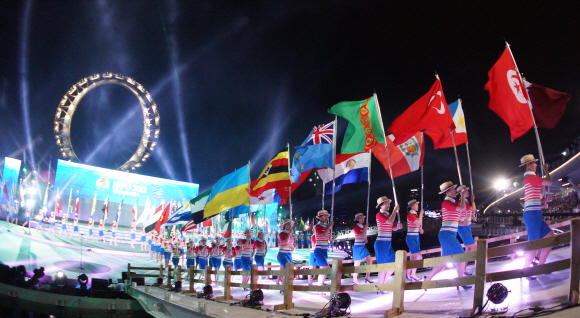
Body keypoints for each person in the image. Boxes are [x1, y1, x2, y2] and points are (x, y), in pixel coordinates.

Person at [424, 181, 471, 290]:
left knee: (443, 262)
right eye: (454, 189)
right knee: (462, 256)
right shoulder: (447, 203)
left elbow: (454, 219)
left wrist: (463, 222)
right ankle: (461, 281)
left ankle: (427, 279)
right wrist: (463, 197)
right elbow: (461, 208)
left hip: (449, 235)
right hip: (446, 235)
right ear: (448, 192)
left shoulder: (452, 203)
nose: (455, 191)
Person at [520, 154, 554, 280]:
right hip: (533, 215)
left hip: (535, 214)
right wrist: (546, 170)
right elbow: (549, 181)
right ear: (528, 165)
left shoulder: (530, 179)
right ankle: (525, 271)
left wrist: (545, 201)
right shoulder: (530, 177)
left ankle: (540, 266)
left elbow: (532, 201)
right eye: (534, 163)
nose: (536, 165)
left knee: (550, 238)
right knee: (533, 245)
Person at [375, 196, 402, 293]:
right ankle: (380, 288)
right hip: (381, 243)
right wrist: (395, 210)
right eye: (386, 203)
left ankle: (382, 284)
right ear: (381, 205)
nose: (388, 205)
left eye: (389, 203)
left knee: (394, 264)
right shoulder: (379, 215)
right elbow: (389, 221)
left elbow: (393, 227)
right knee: (382, 267)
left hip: (388, 244)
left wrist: (398, 227)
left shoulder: (389, 214)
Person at [457, 185, 477, 275]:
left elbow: (470, 212)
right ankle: (461, 268)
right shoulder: (463, 202)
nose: (468, 192)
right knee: (473, 248)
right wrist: (473, 201)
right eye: (466, 191)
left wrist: (472, 216)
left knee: (469, 248)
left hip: (467, 226)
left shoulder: (465, 202)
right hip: (463, 227)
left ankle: (463, 269)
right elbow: (473, 209)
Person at [352, 213, 373, 284]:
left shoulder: (363, 227)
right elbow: (360, 234)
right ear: (357, 219)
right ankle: (355, 280)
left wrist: (365, 239)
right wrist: (365, 228)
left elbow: (363, 236)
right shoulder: (356, 227)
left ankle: (367, 276)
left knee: (369, 260)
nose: (362, 219)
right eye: (360, 218)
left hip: (363, 246)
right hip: (357, 247)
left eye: (363, 218)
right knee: (357, 264)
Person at [314, 210, 333, 286]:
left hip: (325, 249)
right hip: (318, 250)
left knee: (323, 269)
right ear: (319, 218)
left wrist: (330, 241)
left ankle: (320, 284)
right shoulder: (317, 226)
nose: (326, 218)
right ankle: (319, 285)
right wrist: (329, 226)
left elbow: (327, 238)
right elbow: (323, 235)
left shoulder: (328, 227)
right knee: (326, 267)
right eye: (324, 216)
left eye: (326, 216)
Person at [406, 199, 424, 281]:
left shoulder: (415, 215)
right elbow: (418, 222)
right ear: (412, 206)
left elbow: (417, 225)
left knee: (413, 257)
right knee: (419, 256)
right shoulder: (410, 215)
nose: (418, 206)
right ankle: (409, 273)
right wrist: (421, 214)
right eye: (416, 205)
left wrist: (420, 229)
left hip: (416, 237)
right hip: (411, 238)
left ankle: (411, 274)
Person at [276, 219, 295, 286]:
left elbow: (292, 245)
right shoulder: (282, 234)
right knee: (287, 269)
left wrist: (293, 247)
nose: (290, 226)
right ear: (285, 225)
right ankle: (284, 286)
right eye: (288, 224)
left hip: (289, 254)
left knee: (284, 269)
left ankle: (279, 282)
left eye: (291, 224)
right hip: (282, 255)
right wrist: (289, 233)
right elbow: (285, 241)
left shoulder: (292, 235)